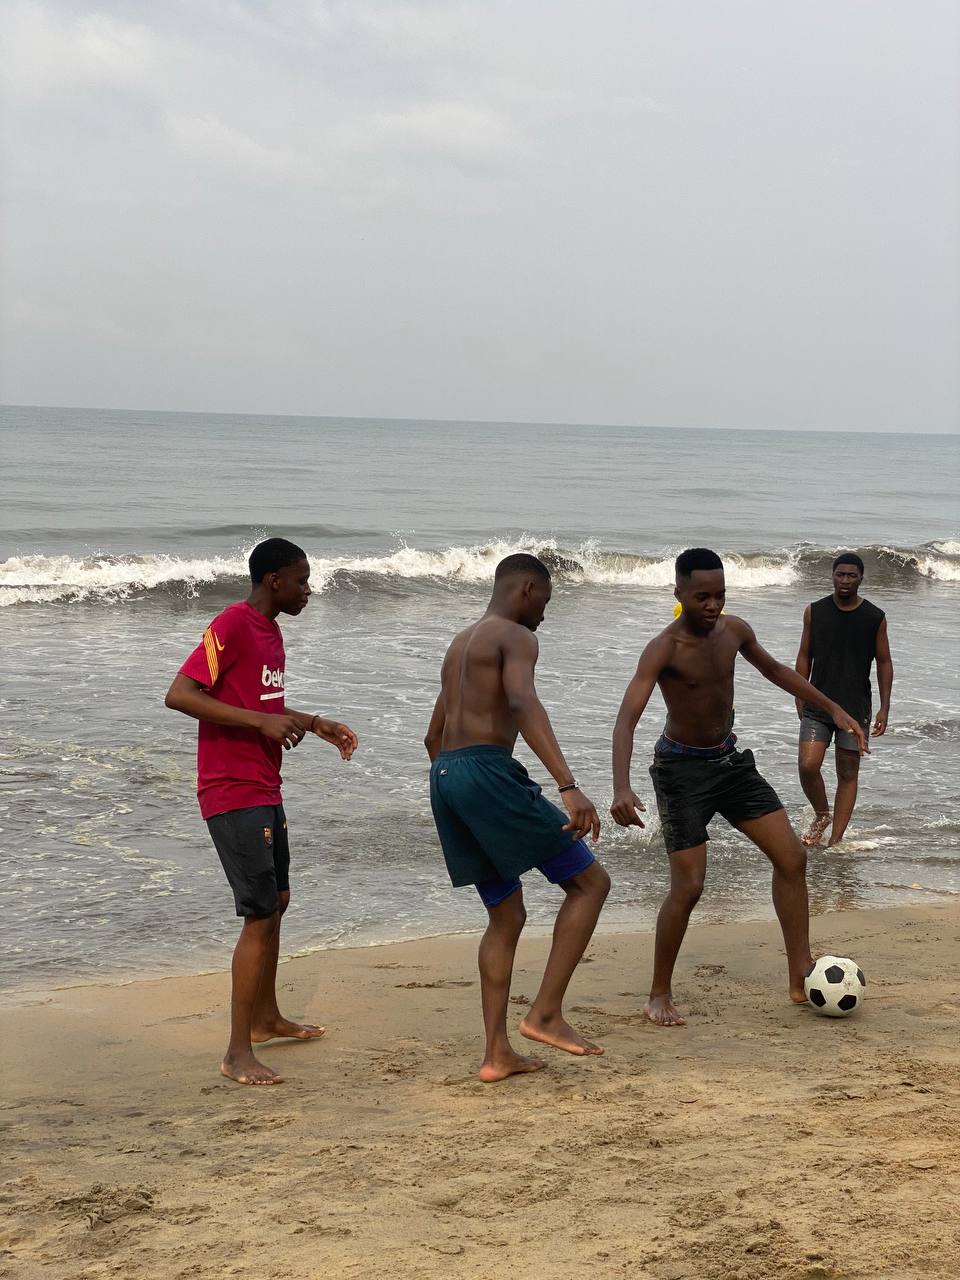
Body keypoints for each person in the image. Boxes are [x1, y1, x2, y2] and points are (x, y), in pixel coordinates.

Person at [610, 548, 867, 1027]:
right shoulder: (664, 648)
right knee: (689, 886)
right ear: (679, 594)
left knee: (791, 857)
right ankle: (658, 993)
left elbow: (776, 671)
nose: (713, 605)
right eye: (702, 596)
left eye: (720, 595)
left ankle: (799, 976)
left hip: (730, 764)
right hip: (680, 772)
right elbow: (627, 718)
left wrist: (831, 708)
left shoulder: (735, 630)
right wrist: (621, 785)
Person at [165, 537, 358, 1086]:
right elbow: (180, 694)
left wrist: (312, 721)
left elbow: (263, 707)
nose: (308, 590)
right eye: (301, 581)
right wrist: (261, 725)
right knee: (258, 913)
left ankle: (267, 1018)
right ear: (273, 580)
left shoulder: (272, 635)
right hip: (230, 789)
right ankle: (235, 1051)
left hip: (264, 785)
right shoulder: (231, 623)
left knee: (277, 900)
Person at [424, 553, 610, 1083]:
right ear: (527, 589)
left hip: (445, 776)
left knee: (505, 915)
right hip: (484, 771)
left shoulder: (460, 643)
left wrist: (460, 788)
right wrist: (568, 786)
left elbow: (432, 737)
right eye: (545, 604)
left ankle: (495, 1054)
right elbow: (523, 701)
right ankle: (545, 1014)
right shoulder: (515, 636)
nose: (544, 618)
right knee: (590, 882)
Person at [795, 552, 893, 847]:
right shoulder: (815, 611)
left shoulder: (874, 617)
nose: (845, 580)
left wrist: (884, 707)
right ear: (832, 576)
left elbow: (885, 662)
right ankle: (822, 814)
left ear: (861, 578)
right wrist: (800, 693)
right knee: (808, 765)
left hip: (855, 708)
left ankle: (835, 841)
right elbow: (804, 655)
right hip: (818, 704)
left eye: (852, 575)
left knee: (847, 773)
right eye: (840, 574)